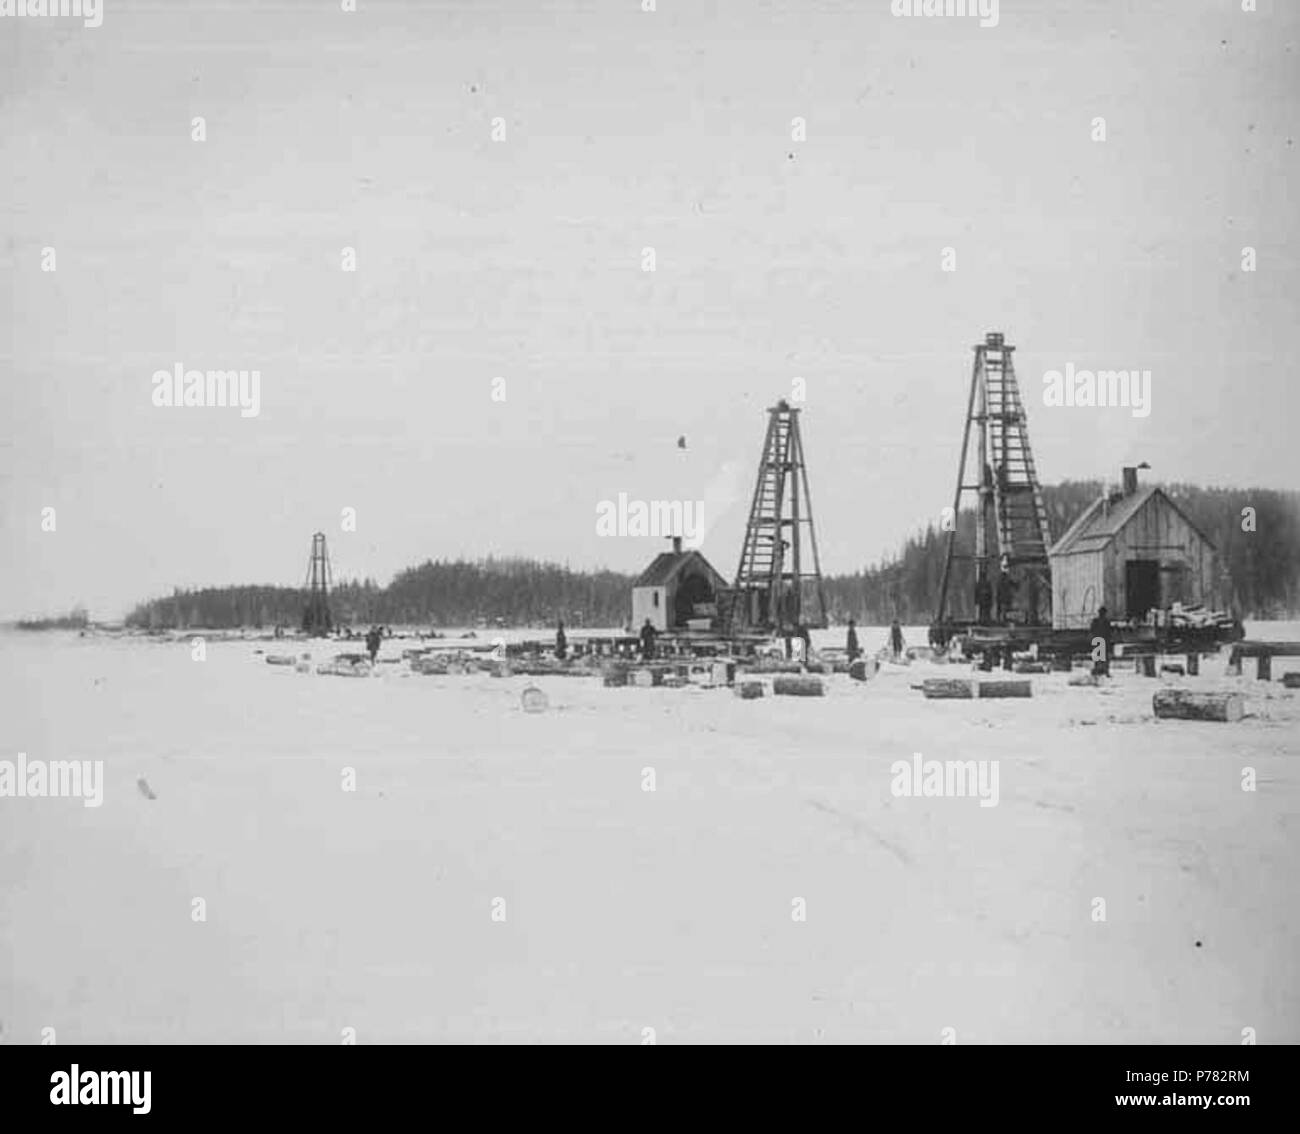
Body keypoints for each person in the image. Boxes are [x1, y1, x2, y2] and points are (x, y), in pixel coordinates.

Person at [1089, 605, 1114, 677]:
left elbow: (1092, 631)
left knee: (1099, 658)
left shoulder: (1096, 621)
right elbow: (1109, 633)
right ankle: (1103, 671)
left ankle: (1099, 671)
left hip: (1097, 640)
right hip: (1102, 641)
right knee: (1103, 658)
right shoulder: (1106, 622)